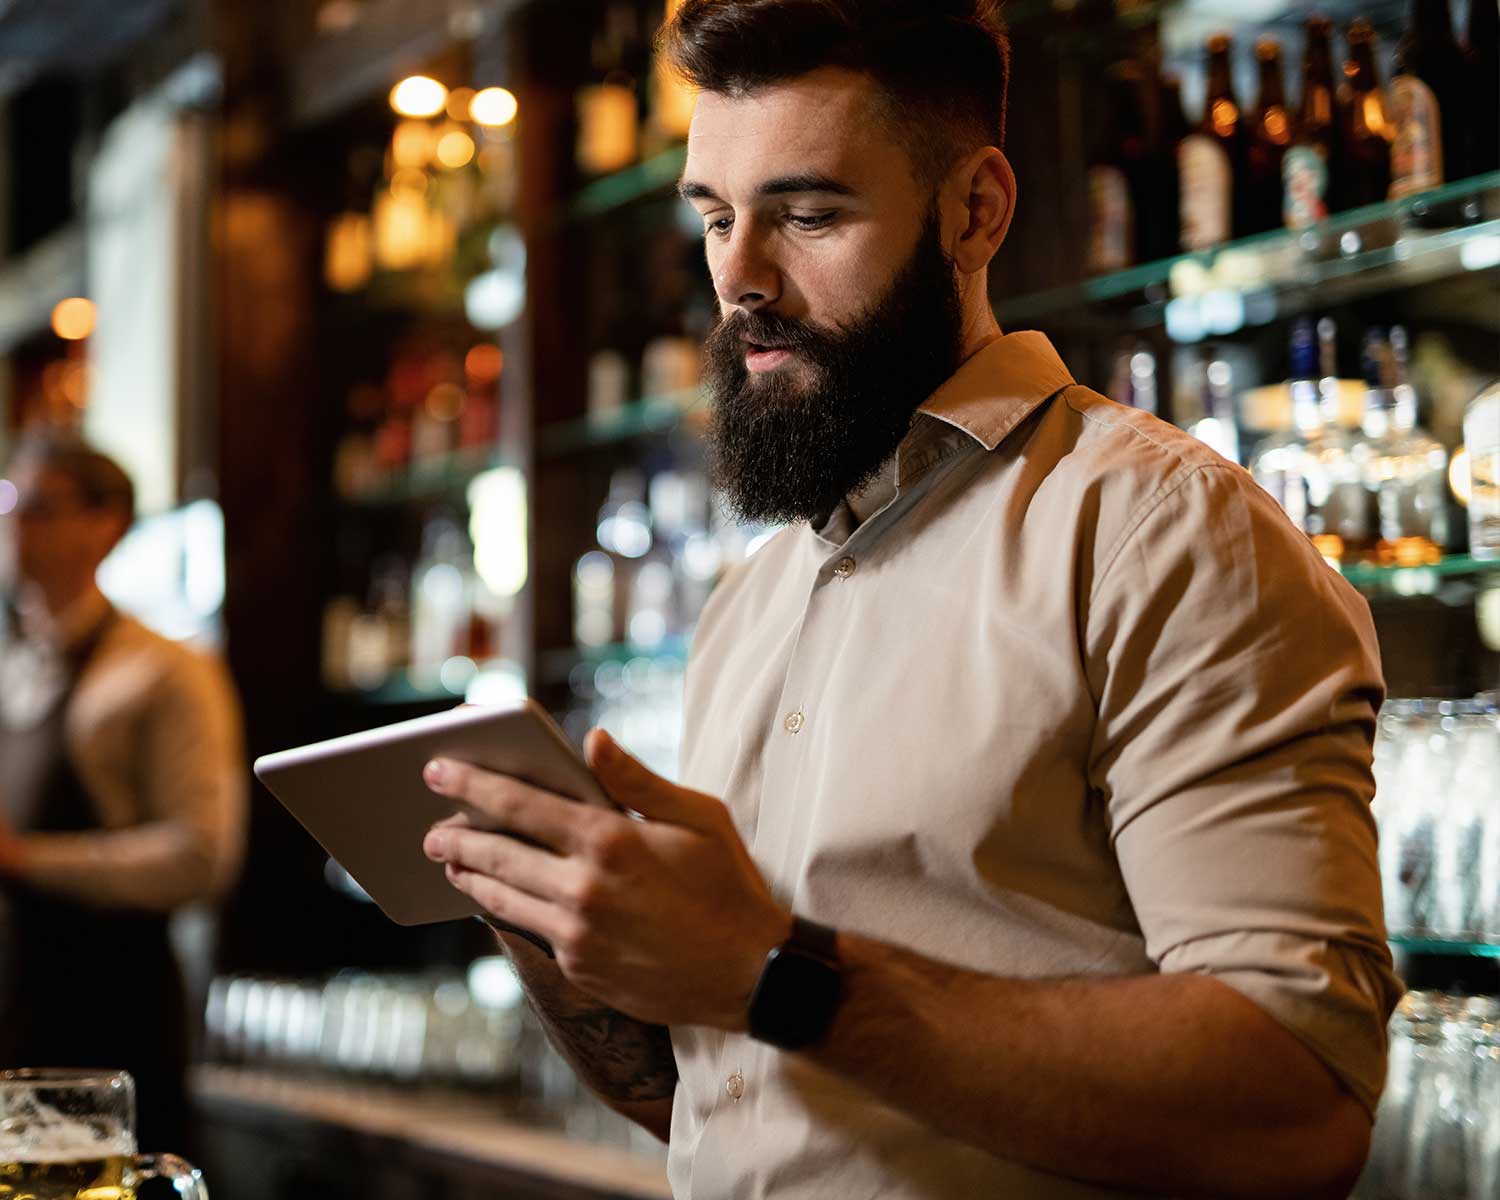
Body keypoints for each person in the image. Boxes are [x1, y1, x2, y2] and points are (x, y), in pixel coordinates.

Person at [420, 2, 1403, 1195]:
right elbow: (724, 1098)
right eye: (718, 218)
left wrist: (769, 970)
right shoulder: (753, 597)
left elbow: (1298, 1109)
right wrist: (567, 938)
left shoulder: (1162, 534)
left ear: (976, 212)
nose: (737, 278)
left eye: (809, 213)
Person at [0, 433, 246, 1153]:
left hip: (109, 1026)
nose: (14, 525)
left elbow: (202, 857)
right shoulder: (18, 668)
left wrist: (24, 859)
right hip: (16, 1014)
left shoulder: (167, 672)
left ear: (106, 523)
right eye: (9, 503)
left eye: (38, 506)